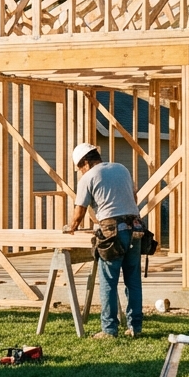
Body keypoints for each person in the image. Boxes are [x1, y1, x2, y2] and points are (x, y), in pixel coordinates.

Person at [63, 142, 143, 338]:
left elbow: (79, 210)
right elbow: (133, 196)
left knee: (108, 281)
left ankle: (109, 330)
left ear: (86, 163)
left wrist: (71, 227)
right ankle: (135, 328)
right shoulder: (121, 168)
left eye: (80, 168)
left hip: (113, 233)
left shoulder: (88, 177)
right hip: (136, 228)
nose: (80, 172)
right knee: (133, 280)